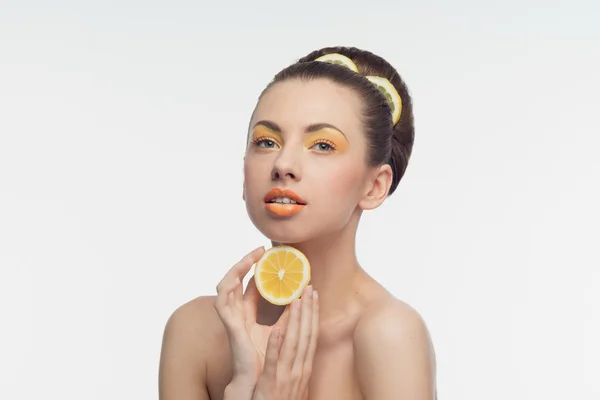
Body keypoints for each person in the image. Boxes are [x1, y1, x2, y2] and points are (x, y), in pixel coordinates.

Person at [158, 45, 437, 400]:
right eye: (266, 141)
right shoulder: (194, 331)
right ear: (244, 174)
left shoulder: (390, 336)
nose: (283, 163)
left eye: (322, 145)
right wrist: (246, 387)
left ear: (374, 186)